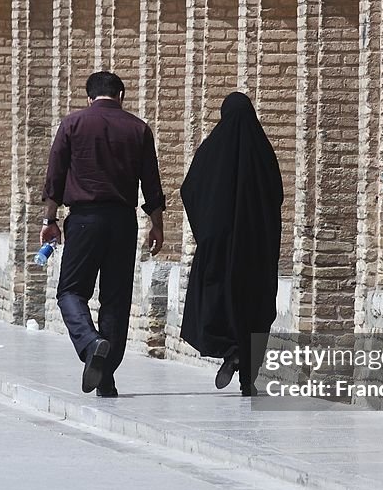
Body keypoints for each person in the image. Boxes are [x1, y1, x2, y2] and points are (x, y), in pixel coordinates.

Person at [41, 71, 166, 397]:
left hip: (84, 221)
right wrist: (157, 224)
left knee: (70, 291)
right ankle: (106, 379)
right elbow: (151, 182)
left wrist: (49, 220)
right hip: (123, 222)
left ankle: (90, 342)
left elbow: (55, 174)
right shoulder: (138, 128)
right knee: (115, 299)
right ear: (121, 95)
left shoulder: (72, 124)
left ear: (89, 97)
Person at [180, 92, 284, 397]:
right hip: (257, 251)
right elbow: (276, 197)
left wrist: (208, 232)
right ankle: (248, 378)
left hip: (220, 248)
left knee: (219, 302)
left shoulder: (212, 151)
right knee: (256, 307)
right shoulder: (262, 153)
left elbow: (190, 190)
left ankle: (231, 349)